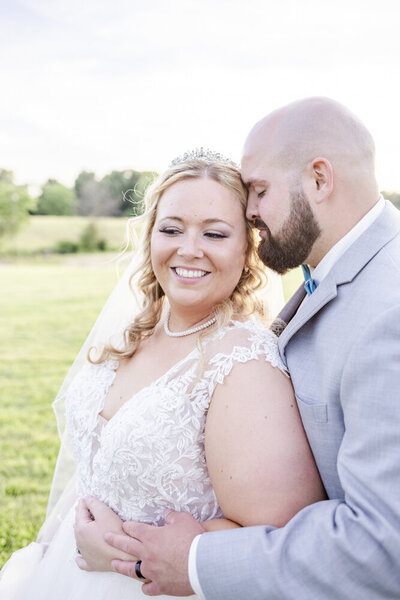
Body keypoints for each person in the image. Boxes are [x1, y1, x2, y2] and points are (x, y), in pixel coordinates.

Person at [91, 98, 400, 599]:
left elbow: (384, 548)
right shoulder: (339, 276)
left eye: (258, 190)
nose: (250, 211)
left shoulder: (389, 312)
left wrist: (183, 560)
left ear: (319, 180)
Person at [0, 150, 325, 599]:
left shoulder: (243, 362)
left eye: (214, 233)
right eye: (171, 229)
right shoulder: (135, 332)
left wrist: (120, 556)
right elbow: (99, 463)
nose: (188, 249)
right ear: (150, 234)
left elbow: (276, 535)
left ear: (248, 249)